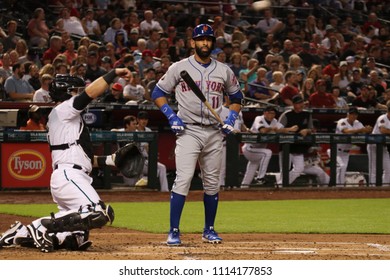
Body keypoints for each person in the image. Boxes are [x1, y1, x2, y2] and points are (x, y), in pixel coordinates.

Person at [0, 68, 132, 252]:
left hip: (71, 175)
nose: (77, 94)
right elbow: (90, 93)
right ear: (66, 92)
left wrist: (109, 160)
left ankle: (22, 233)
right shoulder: (64, 109)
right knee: (98, 212)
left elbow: (81, 156)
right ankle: (40, 225)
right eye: (74, 91)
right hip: (70, 176)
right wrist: (114, 72)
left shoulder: (63, 118)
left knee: (75, 238)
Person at [151, 24, 243, 246]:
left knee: (212, 183)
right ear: (192, 42)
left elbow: (237, 98)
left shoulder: (224, 70)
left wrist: (230, 119)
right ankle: (173, 230)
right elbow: (158, 92)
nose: (205, 43)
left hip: (214, 131)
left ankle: (209, 230)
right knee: (182, 179)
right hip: (189, 130)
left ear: (213, 43)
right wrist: (171, 116)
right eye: (201, 39)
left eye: (209, 39)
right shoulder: (179, 67)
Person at [240, 106, 298, 188]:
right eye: (269, 112)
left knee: (251, 169)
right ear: (265, 113)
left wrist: (291, 129)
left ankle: (243, 187)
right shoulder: (259, 118)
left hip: (258, 151)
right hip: (249, 148)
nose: (271, 115)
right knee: (267, 152)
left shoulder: (274, 121)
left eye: (273, 113)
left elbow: (282, 129)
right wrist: (273, 129)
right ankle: (260, 177)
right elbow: (262, 130)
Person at [330, 107, 372, 186]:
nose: (353, 116)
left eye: (355, 114)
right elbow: (346, 131)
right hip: (336, 151)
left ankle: (340, 188)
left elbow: (363, 131)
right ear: (347, 114)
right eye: (351, 114)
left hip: (346, 152)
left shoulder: (357, 123)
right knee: (341, 167)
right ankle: (335, 187)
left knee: (343, 170)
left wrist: (367, 130)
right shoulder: (342, 121)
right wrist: (361, 130)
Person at [277, 95, 313, 186]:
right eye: (298, 103)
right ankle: (282, 187)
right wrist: (289, 129)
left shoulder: (307, 114)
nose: (301, 105)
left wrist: (307, 130)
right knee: (284, 169)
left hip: (299, 147)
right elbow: (277, 129)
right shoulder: (286, 114)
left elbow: (312, 129)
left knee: (299, 168)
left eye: (302, 103)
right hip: (286, 146)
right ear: (293, 104)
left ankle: (281, 185)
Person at [136, 111, 169, 192]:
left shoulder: (148, 130)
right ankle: (144, 180)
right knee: (155, 172)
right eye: (142, 119)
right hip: (137, 160)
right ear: (138, 120)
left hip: (147, 160)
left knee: (162, 168)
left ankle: (165, 190)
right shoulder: (134, 130)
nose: (144, 121)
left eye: (146, 119)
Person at [367, 102, 390, 186]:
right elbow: (383, 130)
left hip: (383, 146)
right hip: (374, 145)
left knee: (388, 168)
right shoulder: (382, 117)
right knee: (373, 169)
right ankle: (372, 188)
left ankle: (385, 188)